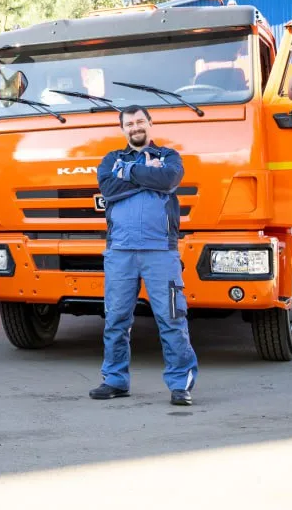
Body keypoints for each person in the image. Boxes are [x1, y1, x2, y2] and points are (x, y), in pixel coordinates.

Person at [90, 105, 199, 406]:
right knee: (116, 319)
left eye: (140, 121)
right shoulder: (111, 160)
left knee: (172, 317)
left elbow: (169, 180)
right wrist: (148, 176)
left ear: (150, 124)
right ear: (123, 129)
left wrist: (130, 173)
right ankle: (115, 380)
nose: (135, 127)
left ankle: (180, 384)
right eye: (129, 123)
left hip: (161, 253)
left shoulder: (169, 157)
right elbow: (108, 188)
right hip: (120, 252)